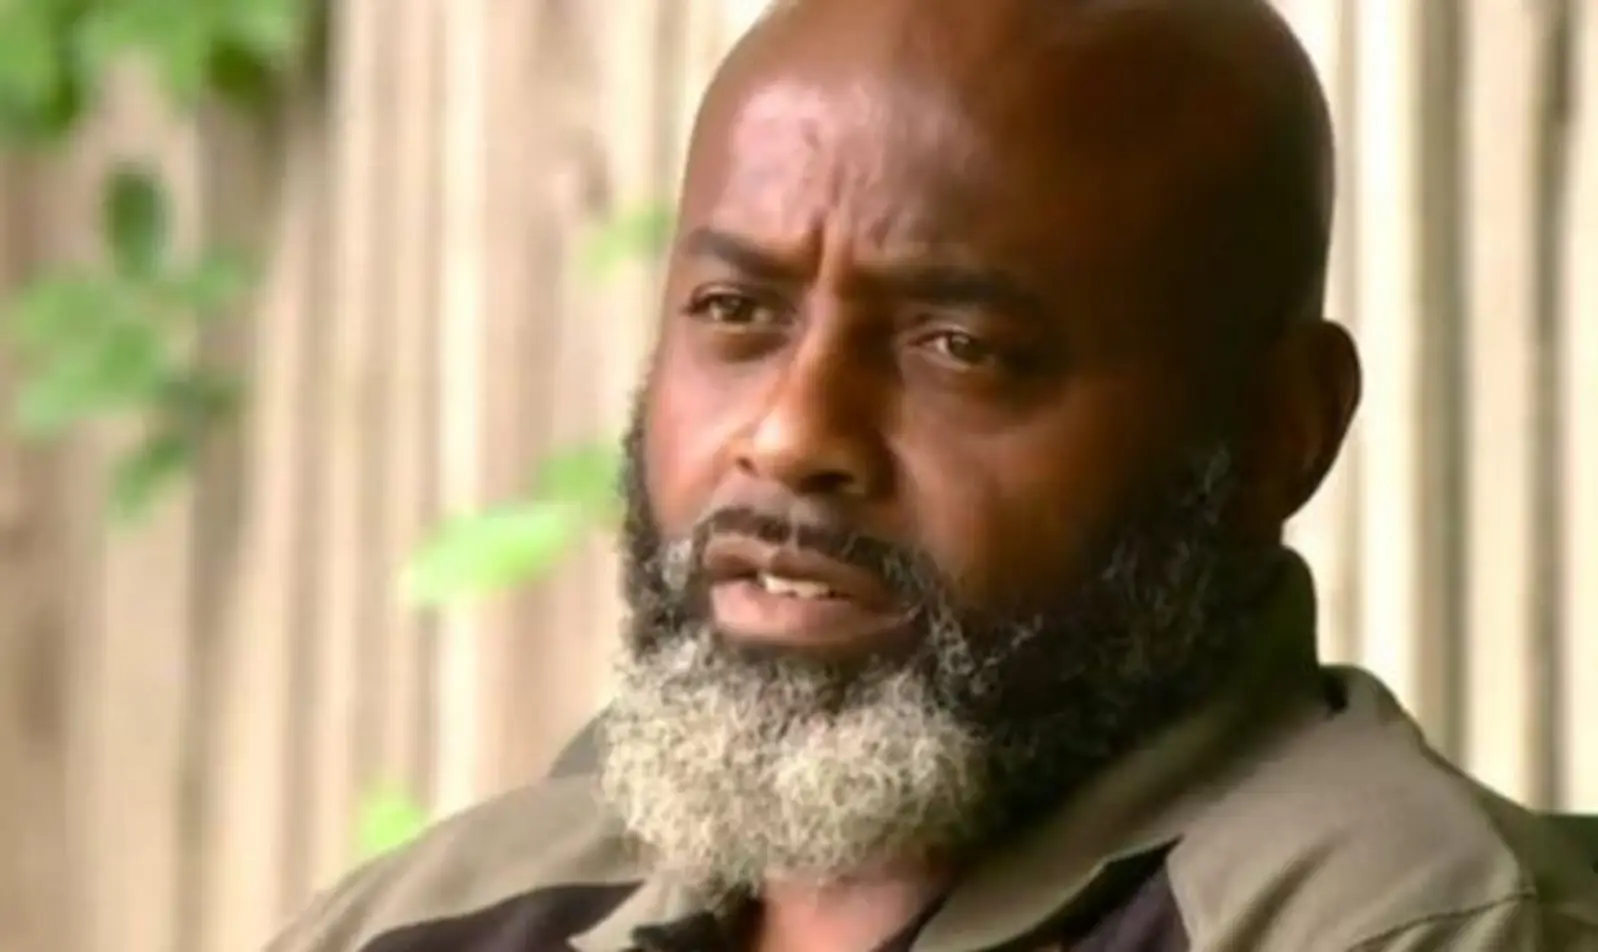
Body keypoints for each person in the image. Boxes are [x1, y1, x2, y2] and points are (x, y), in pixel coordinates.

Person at [266, 0, 1598, 949]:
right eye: (736, 312)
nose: (793, 433)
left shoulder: (1398, 920)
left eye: (960, 347)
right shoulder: (436, 917)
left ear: (1274, 434)